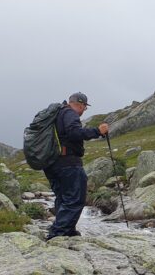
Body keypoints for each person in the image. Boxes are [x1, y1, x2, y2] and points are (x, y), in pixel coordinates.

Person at [44, 92, 109, 240]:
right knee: (75, 198)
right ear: (81, 104)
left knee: (63, 197)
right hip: (68, 162)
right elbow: (74, 133)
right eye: (85, 108)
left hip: (51, 163)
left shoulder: (56, 114)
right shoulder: (69, 113)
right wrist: (98, 131)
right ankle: (58, 233)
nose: (84, 111)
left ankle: (67, 229)